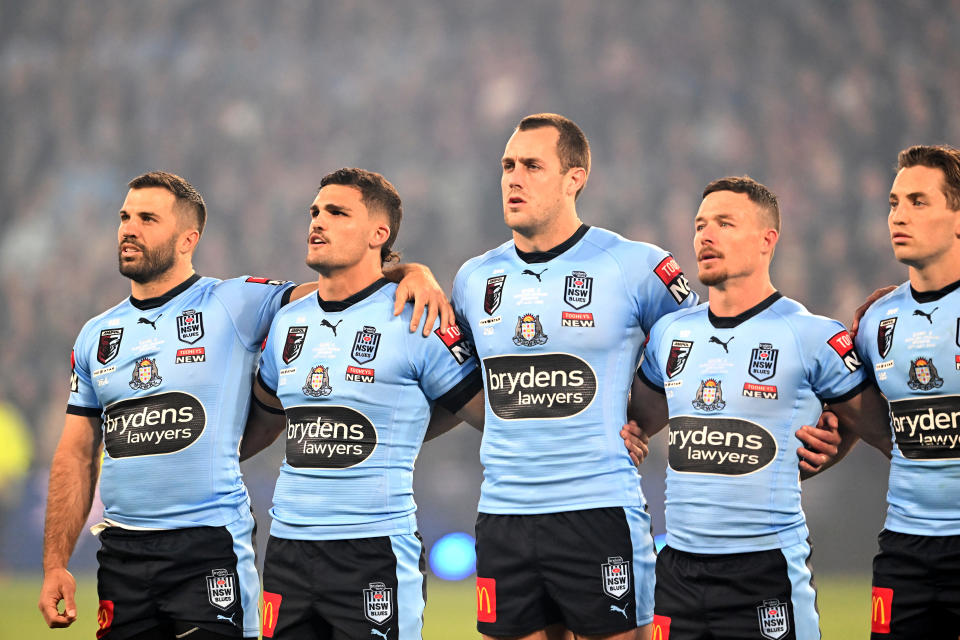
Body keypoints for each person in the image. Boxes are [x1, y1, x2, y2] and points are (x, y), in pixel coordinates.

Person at [37, 171, 450, 640]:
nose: (129, 228)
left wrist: (412, 272)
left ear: (187, 238)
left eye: (148, 219)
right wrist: (55, 564)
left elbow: (344, 285)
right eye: (125, 217)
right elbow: (75, 452)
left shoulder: (234, 302)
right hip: (121, 554)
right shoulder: (96, 334)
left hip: (209, 545)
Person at [629, 176, 892, 640]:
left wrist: (838, 440)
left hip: (764, 570)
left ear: (767, 240)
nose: (705, 236)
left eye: (725, 223)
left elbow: (887, 433)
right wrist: (627, 433)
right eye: (700, 224)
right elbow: (638, 421)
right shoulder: (671, 334)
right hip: (678, 573)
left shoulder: (809, 334)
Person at [241, 168, 486, 640]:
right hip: (288, 549)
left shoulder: (417, 316)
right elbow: (265, 421)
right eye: (315, 211)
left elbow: (486, 412)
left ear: (380, 233)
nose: (318, 221)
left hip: (372, 551)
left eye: (337, 212)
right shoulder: (288, 322)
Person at [851, 145, 960, 639]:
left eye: (919, 201)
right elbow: (854, 413)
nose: (898, 215)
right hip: (904, 548)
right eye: (894, 202)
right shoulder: (876, 319)